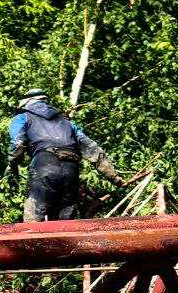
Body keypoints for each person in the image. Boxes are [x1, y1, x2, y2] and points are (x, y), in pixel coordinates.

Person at [8, 88, 125, 222]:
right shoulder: (67, 123)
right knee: (65, 220)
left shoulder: (22, 118)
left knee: (34, 218)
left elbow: (17, 144)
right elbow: (93, 150)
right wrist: (114, 177)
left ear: (26, 103)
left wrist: (13, 165)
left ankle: (32, 242)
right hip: (71, 170)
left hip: (44, 166)